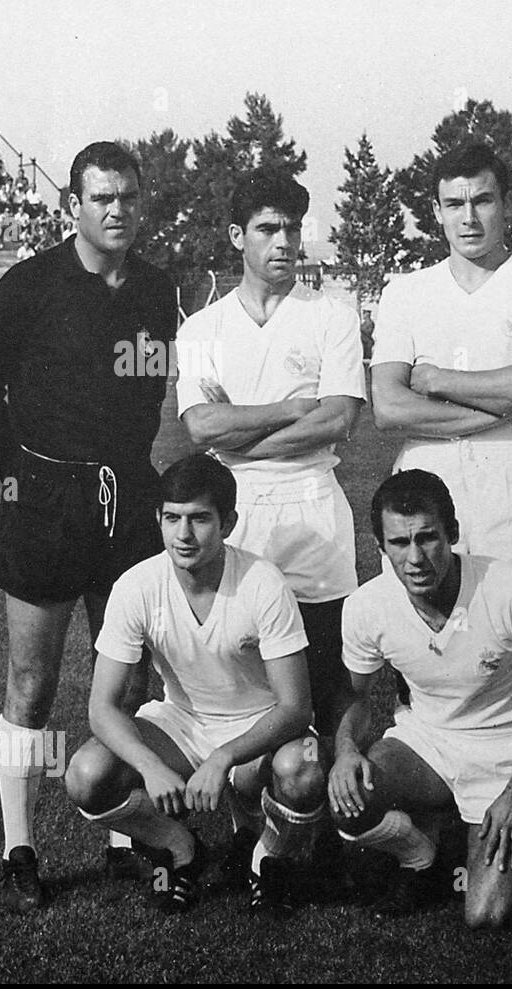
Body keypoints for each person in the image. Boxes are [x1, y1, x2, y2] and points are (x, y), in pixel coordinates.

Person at [0, 141, 178, 912]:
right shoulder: (29, 285)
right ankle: (20, 847)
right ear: (72, 207)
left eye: (126, 197)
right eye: (99, 199)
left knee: (127, 675)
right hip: (45, 503)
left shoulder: (158, 289)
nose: (115, 210)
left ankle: (127, 836)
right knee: (32, 681)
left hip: (129, 500)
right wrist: (14, 468)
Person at [64, 455, 325, 915]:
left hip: (260, 726)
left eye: (200, 518)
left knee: (302, 771)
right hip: (181, 723)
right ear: (159, 520)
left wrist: (224, 758)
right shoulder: (137, 585)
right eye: (172, 518)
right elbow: (101, 708)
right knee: (86, 776)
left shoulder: (262, 582)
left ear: (229, 522)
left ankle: (267, 856)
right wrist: (150, 766)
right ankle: (181, 849)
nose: (183, 535)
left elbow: (294, 707)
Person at [176, 166, 366, 757]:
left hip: (313, 511)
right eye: (267, 230)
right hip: (236, 514)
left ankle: (338, 814)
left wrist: (238, 441)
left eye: (292, 229)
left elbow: (337, 419)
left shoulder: (330, 312)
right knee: (245, 670)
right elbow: (199, 425)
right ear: (238, 236)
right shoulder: (204, 327)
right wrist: (290, 410)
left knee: (328, 674)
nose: (284, 242)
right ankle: (257, 824)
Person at [328, 470, 512, 929]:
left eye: (427, 538)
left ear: (453, 534)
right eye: (398, 543)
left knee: (487, 916)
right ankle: (420, 854)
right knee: (348, 801)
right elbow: (354, 694)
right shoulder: (366, 606)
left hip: (509, 749)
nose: (415, 558)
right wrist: (346, 751)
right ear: (380, 547)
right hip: (428, 741)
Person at [369, 142, 512, 590]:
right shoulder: (406, 292)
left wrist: (436, 380)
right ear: (436, 211)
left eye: (482, 200)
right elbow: (389, 407)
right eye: (454, 203)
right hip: (425, 481)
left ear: (505, 203)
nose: (469, 218)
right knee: (424, 638)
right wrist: (507, 399)